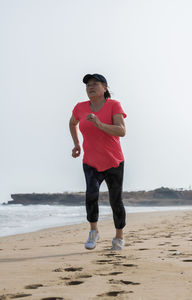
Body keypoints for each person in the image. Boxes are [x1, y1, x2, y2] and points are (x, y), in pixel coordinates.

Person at [69, 73, 127, 251]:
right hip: (91, 162)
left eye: (95, 84)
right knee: (91, 196)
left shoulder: (113, 105)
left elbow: (121, 131)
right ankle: (93, 232)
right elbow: (72, 123)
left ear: (105, 88)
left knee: (115, 200)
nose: (90, 87)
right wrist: (77, 144)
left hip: (113, 161)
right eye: (88, 85)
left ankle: (119, 237)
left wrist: (99, 124)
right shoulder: (80, 107)